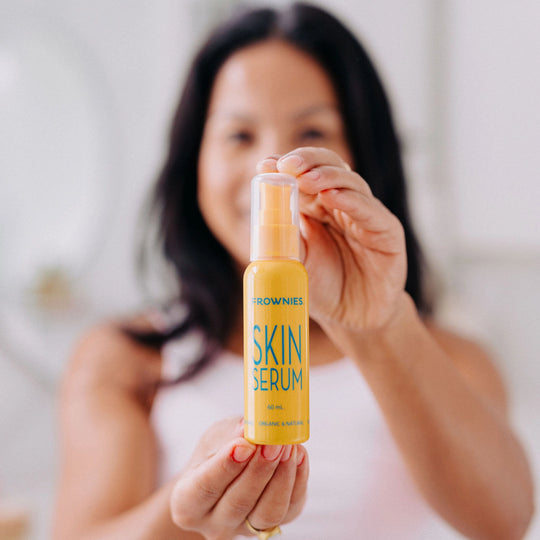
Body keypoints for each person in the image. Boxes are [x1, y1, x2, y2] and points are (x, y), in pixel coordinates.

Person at [52, 3, 534, 540]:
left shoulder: (449, 357)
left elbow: (506, 522)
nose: (274, 166)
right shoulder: (128, 357)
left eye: (312, 130)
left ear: (364, 157)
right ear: (194, 160)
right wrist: (190, 505)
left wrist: (379, 325)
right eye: (239, 135)